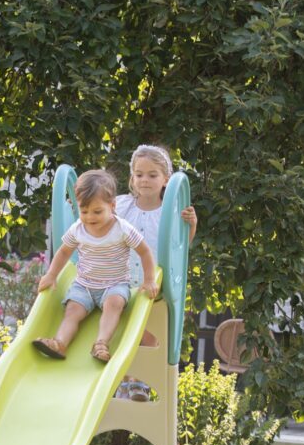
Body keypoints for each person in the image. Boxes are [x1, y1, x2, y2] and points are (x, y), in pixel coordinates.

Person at [32, 168, 159, 363]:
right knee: (72, 311)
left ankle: (101, 343)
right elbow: (64, 252)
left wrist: (149, 279)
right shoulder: (78, 229)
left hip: (114, 284)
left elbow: (144, 251)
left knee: (114, 304)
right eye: (84, 211)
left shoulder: (122, 229)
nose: (90, 217)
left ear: (112, 206)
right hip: (84, 285)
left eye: (97, 211)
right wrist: (51, 275)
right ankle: (60, 343)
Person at [116, 144, 197, 399]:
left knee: (149, 334)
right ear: (132, 178)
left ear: (166, 180)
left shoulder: (170, 212)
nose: (145, 180)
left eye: (152, 175)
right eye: (139, 174)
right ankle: (123, 381)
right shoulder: (122, 205)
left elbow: (180, 246)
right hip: (122, 280)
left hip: (153, 284)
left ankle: (140, 382)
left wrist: (191, 225)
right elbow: (99, 220)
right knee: (124, 334)